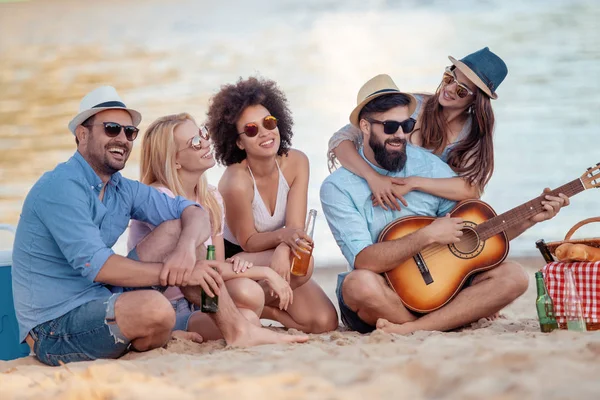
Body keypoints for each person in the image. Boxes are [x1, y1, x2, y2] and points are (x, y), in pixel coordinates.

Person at [12, 86, 307, 366]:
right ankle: (180, 328)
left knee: (176, 227)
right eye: (111, 129)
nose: (123, 139)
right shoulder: (61, 187)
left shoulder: (121, 188)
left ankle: (234, 331)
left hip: (105, 301)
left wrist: (183, 250)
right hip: (54, 326)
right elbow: (98, 267)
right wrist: (181, 274)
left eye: (129, 132)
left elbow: (192, 210)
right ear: (82, 134)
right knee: (157, 308)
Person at [320, 75, 569, 335]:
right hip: (385, 294)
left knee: (514, 276)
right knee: (358, 285)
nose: (400, 135)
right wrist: (425, 236)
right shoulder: (337, 188)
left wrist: (530, 219)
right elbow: (363, 261)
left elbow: (473, 235)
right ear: (365, 126)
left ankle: (415, 327)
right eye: (390, 127)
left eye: (407, 125)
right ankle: (449, 319)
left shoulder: (428, 166)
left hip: (440, 286)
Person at [128, 113, 294, 341]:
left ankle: (214, 325)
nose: (206, 143)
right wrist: (265, 272)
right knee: (250, 317)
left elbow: (214, 266)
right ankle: (171, 332)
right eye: (195, 143)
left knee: (251, 294)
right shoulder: (160, 197)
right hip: (167, 305)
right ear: (174, 160)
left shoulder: (211, 197)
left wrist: (238, 265)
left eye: (203, 134)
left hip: (201, 299)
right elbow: (196, 269)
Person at [208, 76, 339, 334]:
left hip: (278, 254)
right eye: (252, 129)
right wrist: (283, 241)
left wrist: (282, 248)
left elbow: (295, 228)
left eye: (269, 122)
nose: (265, 132)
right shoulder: (235, 182)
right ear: (238, 142)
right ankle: (252, 305)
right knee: (305, 264)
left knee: (325, 321)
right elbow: (248, 241)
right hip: (241, 263)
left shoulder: (297, 162)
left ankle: (270, 313)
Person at [328, 47, 506, 210]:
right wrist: (373, 178)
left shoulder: (472, 133)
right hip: (380, 201)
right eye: (449, 78)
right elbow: (340, 139)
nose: (450, 89)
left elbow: (472, 189)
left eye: (462, 90)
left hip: (429, 213)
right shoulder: (412, 106)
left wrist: (414, 183)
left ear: (476, 100)